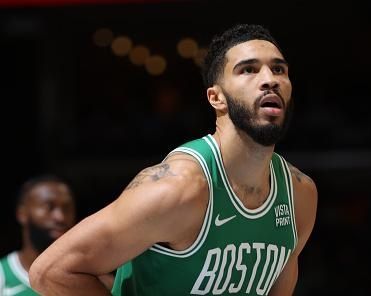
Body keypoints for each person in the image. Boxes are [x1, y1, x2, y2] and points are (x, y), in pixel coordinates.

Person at [29, 23, 318, 296]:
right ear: (216, 98)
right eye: (249, 70)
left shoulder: (300, 196)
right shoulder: (178, 188)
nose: (270, 80)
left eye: (279, 69)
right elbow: (51, 272)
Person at [0, 175, 77, 295]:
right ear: (22, 214)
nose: (60, 217)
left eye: (66, 208)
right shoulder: (2, 276)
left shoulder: (95, 279)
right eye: (49, 207)